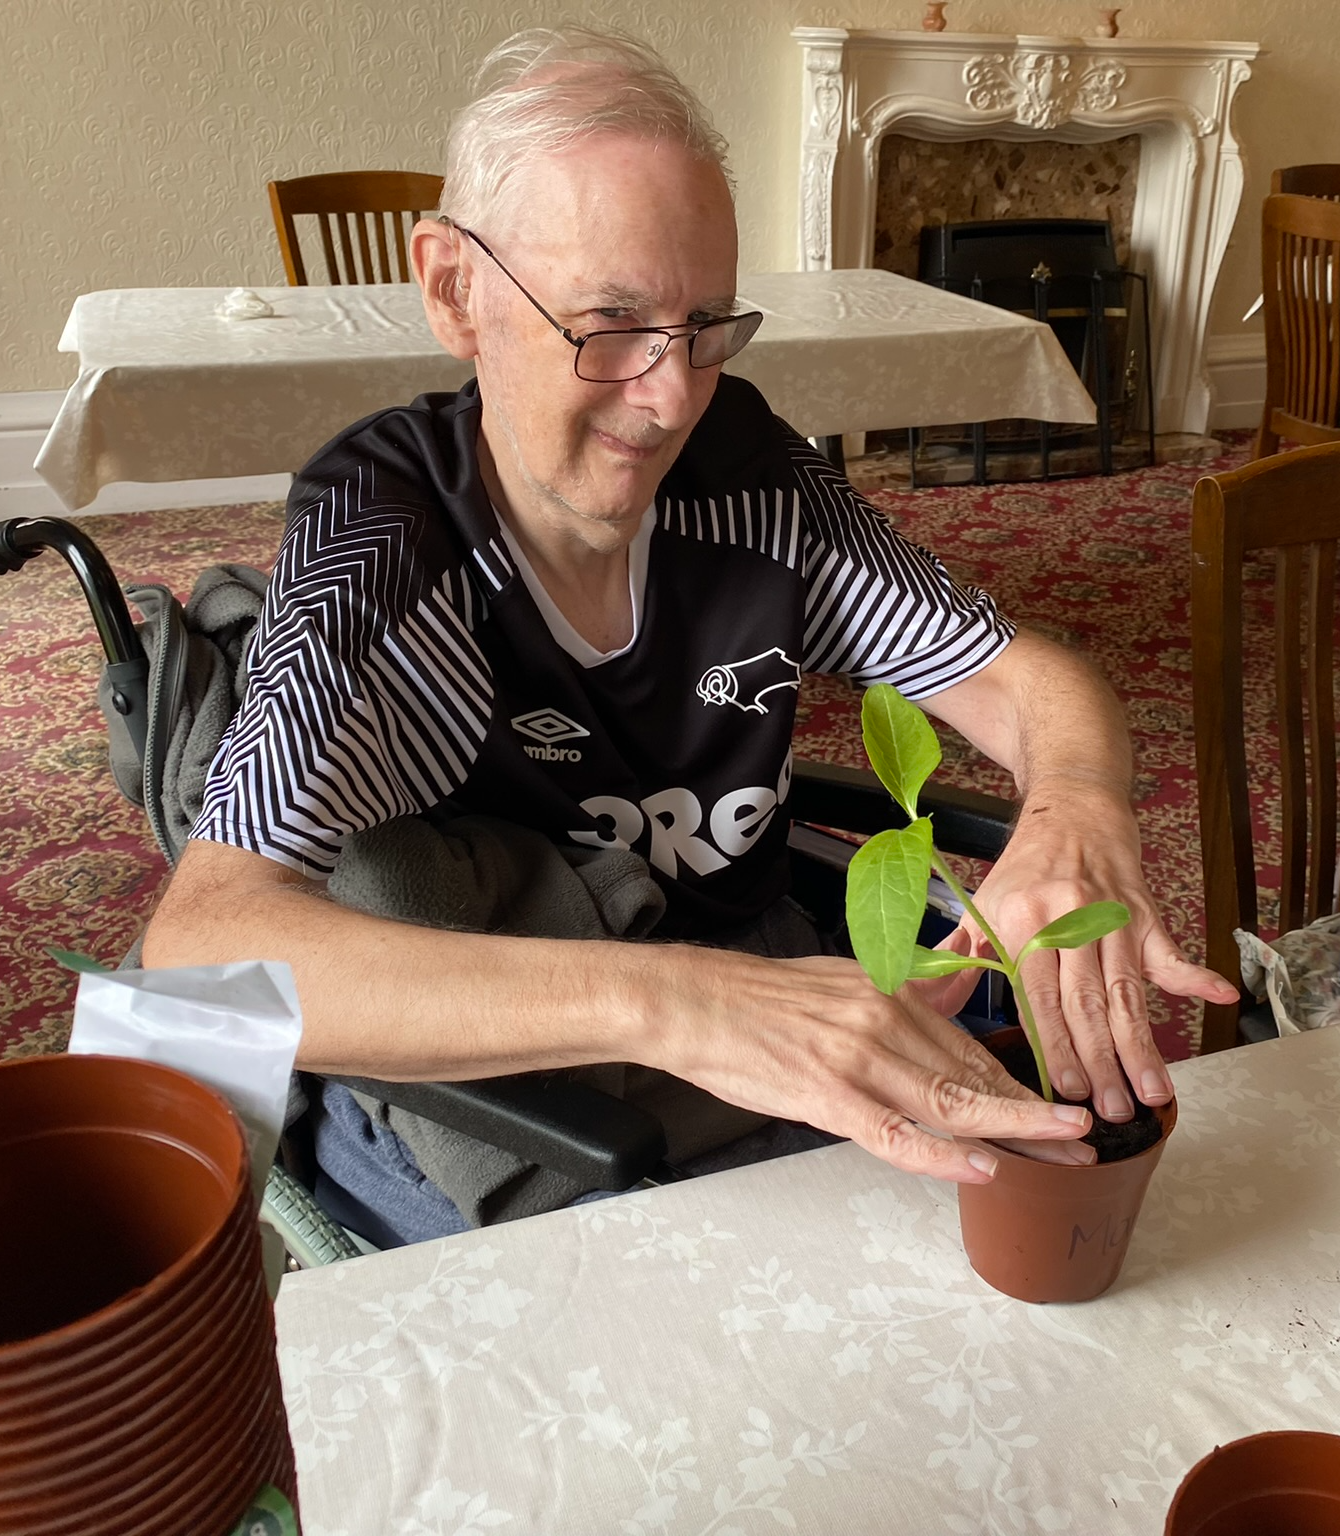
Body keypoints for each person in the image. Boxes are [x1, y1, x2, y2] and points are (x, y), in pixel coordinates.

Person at [143, 26, 1237, 1239]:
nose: (670, 397)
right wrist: (684, 1005)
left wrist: (1078, 806)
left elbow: (1023, 677)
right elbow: (202, 953)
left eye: (705, 324)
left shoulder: (749, 482)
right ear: (455, 289)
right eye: (606, 323)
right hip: (515, 1075)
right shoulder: (391, 548)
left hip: (744, 981)